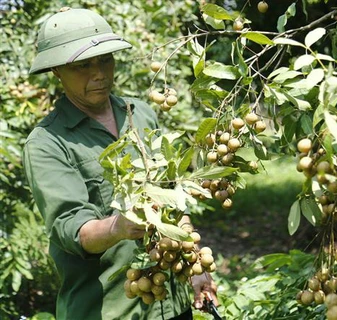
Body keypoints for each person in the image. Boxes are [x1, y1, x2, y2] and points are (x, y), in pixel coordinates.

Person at [22, 7, 217, 320]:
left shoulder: (139, 113)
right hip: (110, 311)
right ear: (57, 71)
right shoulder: (46, 142)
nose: (99, 73)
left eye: (105, 60)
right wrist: (120, 227)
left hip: (173, 303)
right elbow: (73, 230)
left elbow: (171, 199)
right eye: (83, 65)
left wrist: (195, 269)